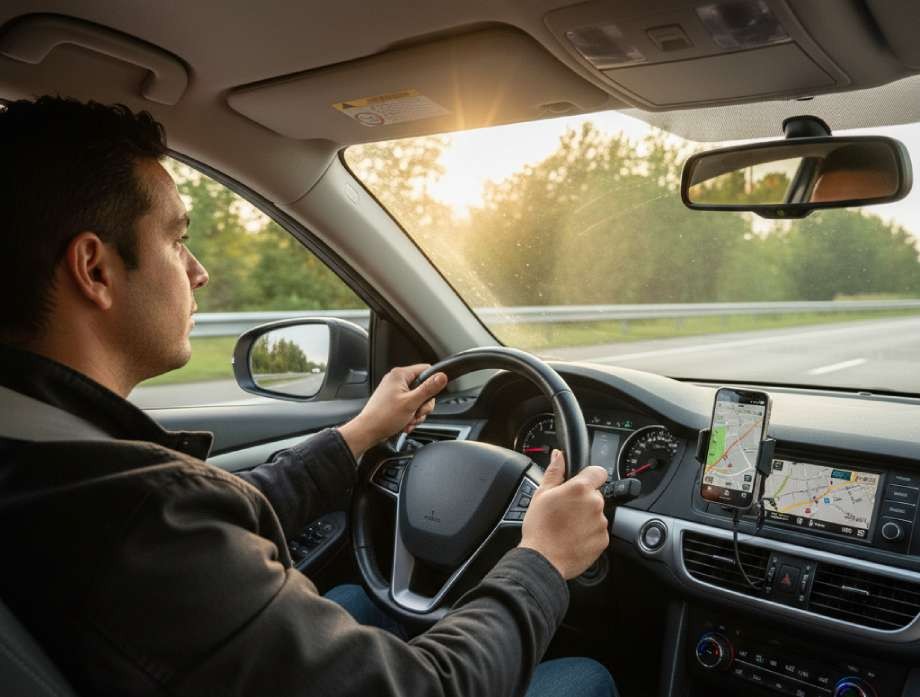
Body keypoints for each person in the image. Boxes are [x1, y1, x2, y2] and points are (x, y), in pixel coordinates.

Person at [0, 96, 616, 696]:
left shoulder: (52, 465)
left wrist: (360, 436)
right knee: (586, 678)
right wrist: (542, 558)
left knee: (352, 601)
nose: (198, 271)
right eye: (176, 239)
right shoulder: (137, 519)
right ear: (95, 269)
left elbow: (211, 517)